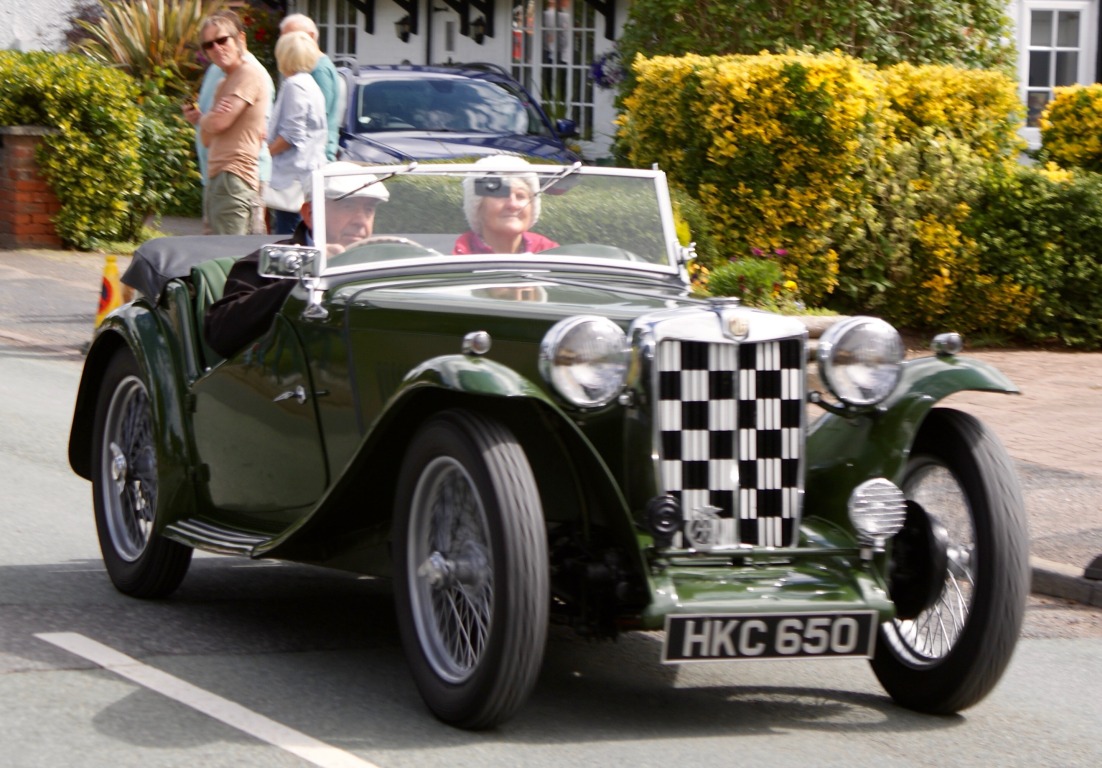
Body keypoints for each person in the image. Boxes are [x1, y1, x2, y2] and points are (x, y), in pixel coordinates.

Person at [204, 162, 388, 358]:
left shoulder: (383, 264)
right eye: (347, 206)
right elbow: (220, 333)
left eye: (368, 210)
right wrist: (306, 273)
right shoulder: (269, 262)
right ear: (310, 214)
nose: (361, 221)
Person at [183, 10, 275, 235]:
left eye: (222, 40)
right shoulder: (222, 83)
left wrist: (207, 119)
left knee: (231, 256)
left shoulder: (249, 73)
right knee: (214, 254)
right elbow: (207, 138)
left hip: (236, 177)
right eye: (209, 45)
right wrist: (204, 120)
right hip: (217, 177)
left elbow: (219, 124)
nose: (216, 48)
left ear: (240, 39)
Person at [267, 31, 328, 235]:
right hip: (306, 174)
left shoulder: (296, 85)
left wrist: (265, 153)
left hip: (293, 178)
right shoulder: (310, 84)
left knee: (289, 236)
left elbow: (292, 135)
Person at [453, 156, 558, 255]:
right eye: (500, 195)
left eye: (520, 196)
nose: (513, 205)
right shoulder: (454, 260)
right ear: (478, 208)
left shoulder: (550, 253)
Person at [279, 14, 341, 162]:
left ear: (311, 36)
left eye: (292, 37)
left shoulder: (318, 69)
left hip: (313, 159)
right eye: (284, 38)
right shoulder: (306, 69)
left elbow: (314, 121)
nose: (286, 44)